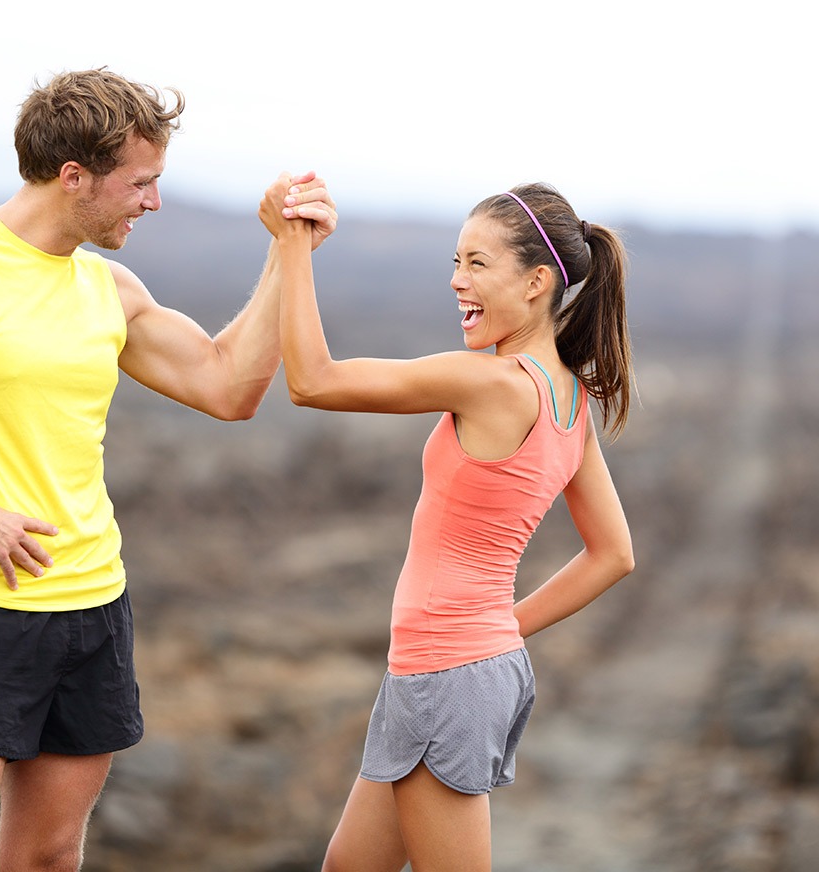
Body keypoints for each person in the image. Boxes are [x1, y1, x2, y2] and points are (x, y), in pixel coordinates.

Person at [0, 70, 336, 872]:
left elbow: (228, 386)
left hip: (94, 606)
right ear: (73, 175)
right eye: (140, 184)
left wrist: (286, 252)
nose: (152, 204)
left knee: (49, 856)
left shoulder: (108, 285)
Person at [259, 176, 636, 871]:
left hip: (449, 674)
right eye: (455, 263)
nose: (458, 281)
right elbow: (613, 554)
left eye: (478, 264)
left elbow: (312, 380)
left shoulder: (491, 382)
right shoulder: (570, 403)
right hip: (455, 664)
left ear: (536, 283)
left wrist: (293, 248)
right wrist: (498, 631)